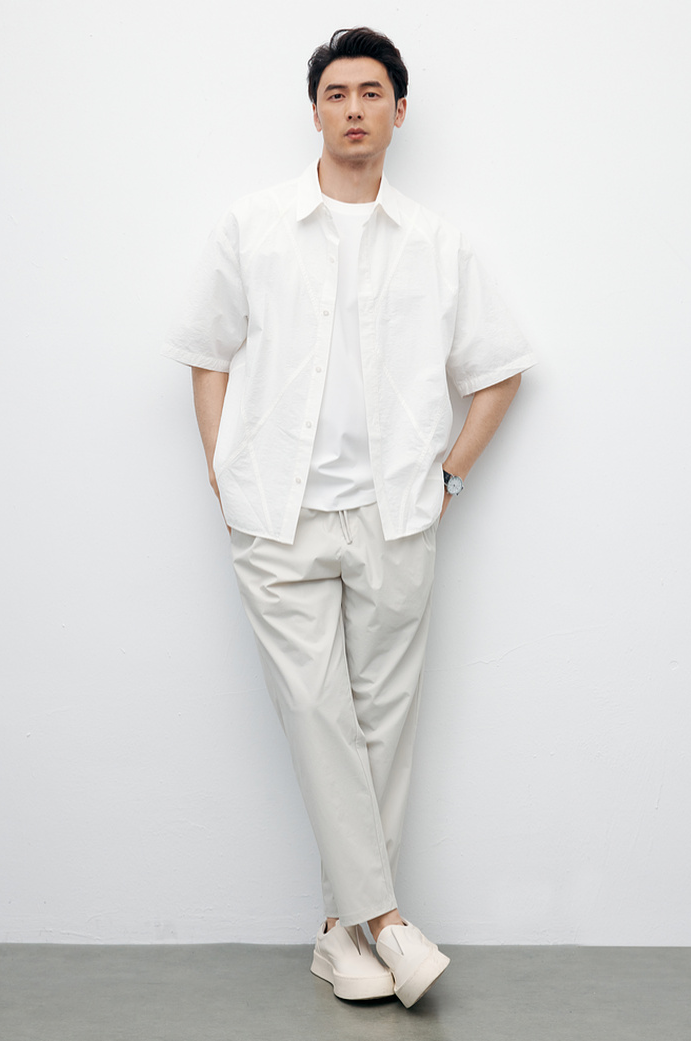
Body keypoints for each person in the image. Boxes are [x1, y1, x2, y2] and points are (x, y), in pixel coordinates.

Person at [164, 26, 534, 1008]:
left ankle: (342, 935)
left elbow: (500, 371)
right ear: (317, 110)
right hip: (277, 517)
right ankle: (389, 921)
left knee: (383, 726)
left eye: (372, 92)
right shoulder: (252, 227)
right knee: (317, 710)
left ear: (399, 111)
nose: (354, 109)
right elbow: (207, 352)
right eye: (337, 93)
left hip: (395, 515)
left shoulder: (438, 245)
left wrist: (448, 479)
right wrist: (220, 467)